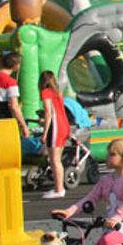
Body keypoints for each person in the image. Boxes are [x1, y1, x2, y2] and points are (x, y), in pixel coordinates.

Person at [38, 71, 71, 199]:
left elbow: (48, 113)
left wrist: (44, 133)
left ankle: (59, 189)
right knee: (57, 159)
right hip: (63, 125)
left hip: (56, 127)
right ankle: (59, 187)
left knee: (54, 160)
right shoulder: (58, 93)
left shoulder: (45, 92)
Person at [0, 52, 29, 139]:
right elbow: (14, 106)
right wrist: (23, 125)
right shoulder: (10, 83)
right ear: (16, 66)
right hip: (1, 120)